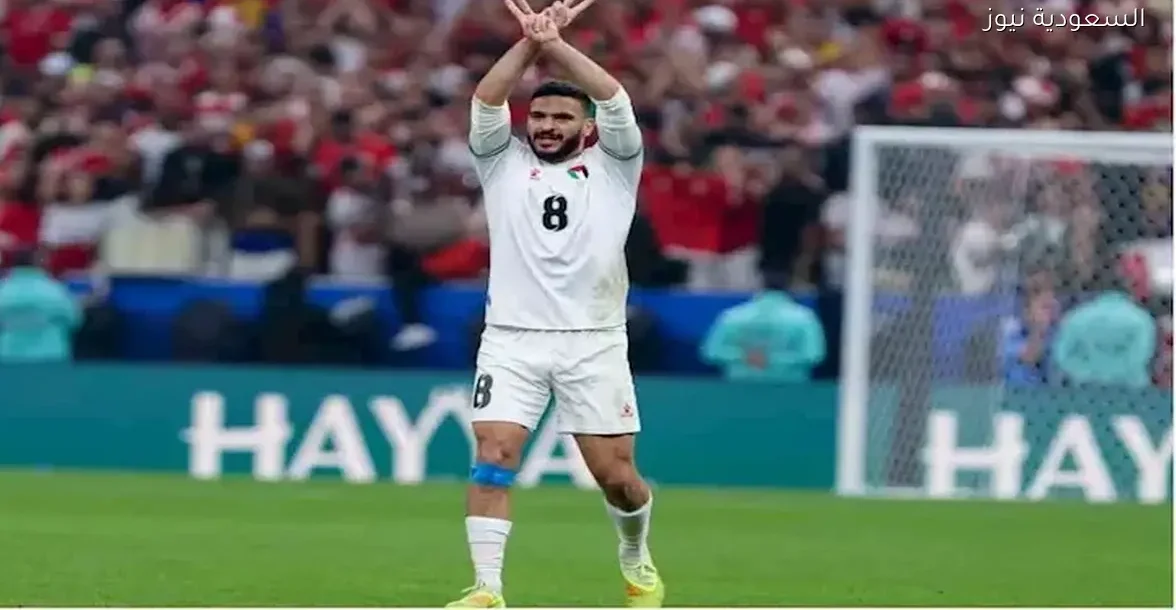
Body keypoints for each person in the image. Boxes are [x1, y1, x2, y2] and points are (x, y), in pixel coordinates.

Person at [450, 0, 663, 607]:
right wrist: (529, 42)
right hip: (510, 339)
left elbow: (615, 98)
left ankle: (634, 553)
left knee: (617, 478)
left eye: (561, 117)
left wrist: (556, 45)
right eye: (539, 115)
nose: (546, 125)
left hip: (593, 341)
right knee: (494, 454)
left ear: (586, 128)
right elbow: (486, 101)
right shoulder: (501, 163)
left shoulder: (615, 166)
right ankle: (487, 589)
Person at [699, 276, 827, 383]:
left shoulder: (731, 316)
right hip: (789, 390)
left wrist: (746, 358)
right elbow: (813, 355)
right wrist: (774, 360)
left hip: (738, 388)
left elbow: (711, 352)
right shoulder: (805, 317)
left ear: (758, 286)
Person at [0, 248, 82, 363]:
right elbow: (75, 320)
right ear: (40, 264)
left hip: (7, 358)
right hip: (50, 357)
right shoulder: (55, 290)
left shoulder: (3, 290)